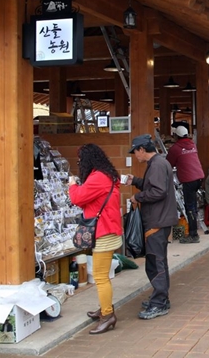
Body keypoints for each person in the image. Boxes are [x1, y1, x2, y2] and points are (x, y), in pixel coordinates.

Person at [69, 144, 122, 335]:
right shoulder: (106, 174)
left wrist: (72, 184)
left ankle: (108, 316)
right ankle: (105, 308)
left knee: (100, 277)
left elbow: (77, 198)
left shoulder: (97, 178)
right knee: (102, 277)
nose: (79, 163)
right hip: (108, 229)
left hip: (103, 232)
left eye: (80, 160)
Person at [124, 134, 178, 320]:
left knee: (156, 262)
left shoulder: (156, 165)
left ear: (141, 149)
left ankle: (159, 302)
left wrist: (137, 197)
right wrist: (137, 182)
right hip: (161, 219)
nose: (135, 156)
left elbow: (157, 191)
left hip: (157, 220)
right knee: (157, 261)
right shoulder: (159, 163)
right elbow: (156, 187)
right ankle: (160, 298)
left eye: (135, 152)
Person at [166, 125, 204, 244]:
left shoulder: (175, 148)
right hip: (199, 177)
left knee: (190, 207)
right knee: (193, 206)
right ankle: (194, 230)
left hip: (189, 180)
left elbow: (168, 164)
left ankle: (193, 234)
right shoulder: (192, 145)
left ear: (176, 135)